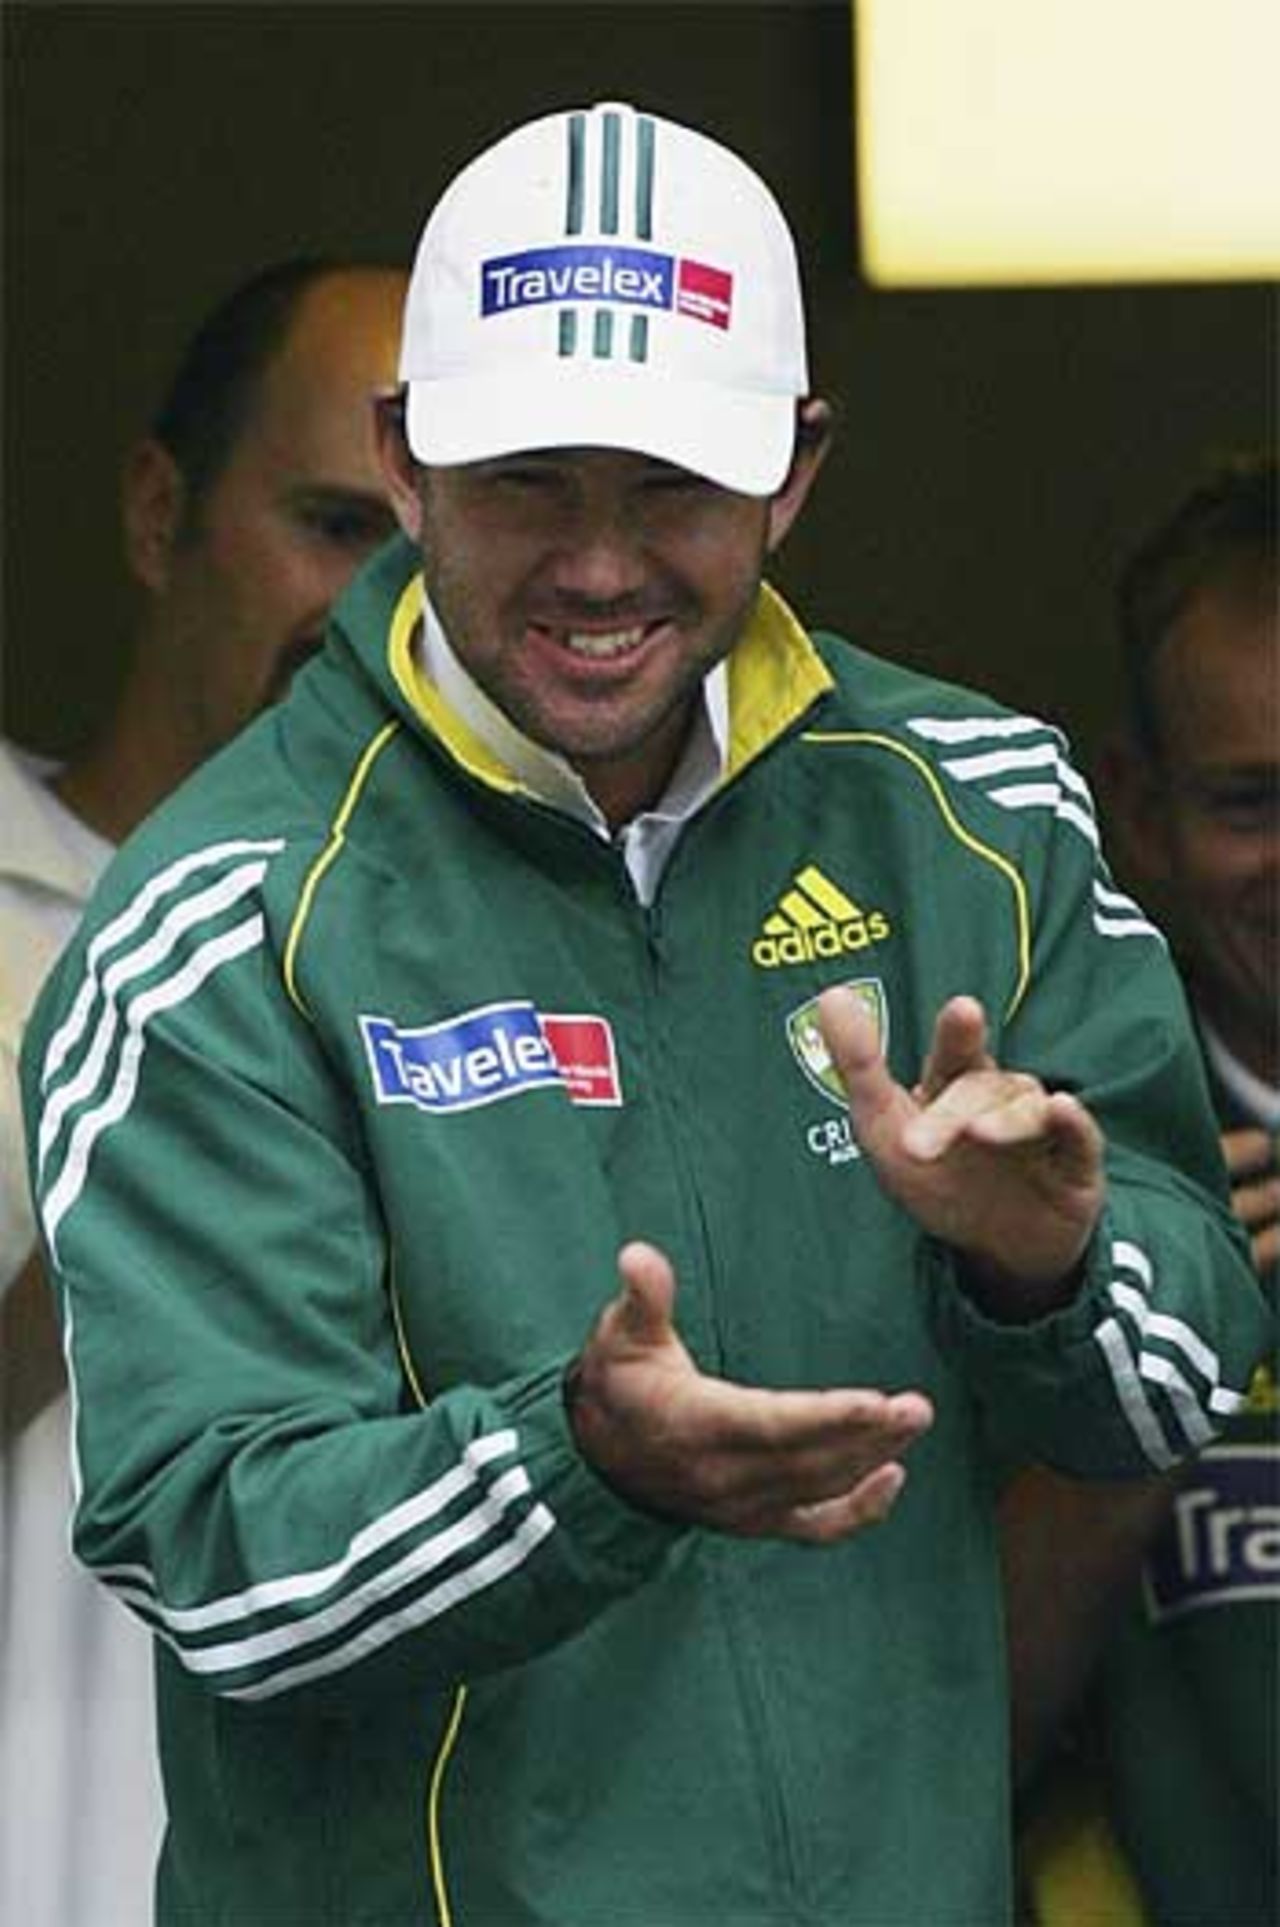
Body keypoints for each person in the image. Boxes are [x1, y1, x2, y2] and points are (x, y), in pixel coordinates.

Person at [18, 103, 1271, 1927]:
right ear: (407, 454)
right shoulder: (220, 917)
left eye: (671, 486)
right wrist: (583, 1462)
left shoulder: (981, 815)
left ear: (795, 469)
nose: (598, 566)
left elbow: (1170, 1398)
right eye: (528, 479)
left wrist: (1046, 1266)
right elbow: (227, 1570)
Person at [1, 255, 405, 1927]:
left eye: (433, 554)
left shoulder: (544, 963)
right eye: (333, 528)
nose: (382, 618)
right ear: (162, 515)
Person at [1004, 453, 1279, 1927]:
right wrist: (1155, 1356)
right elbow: (955, 1728)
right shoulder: (1052, 1172)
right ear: (1141, 809)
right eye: (1254, 801)